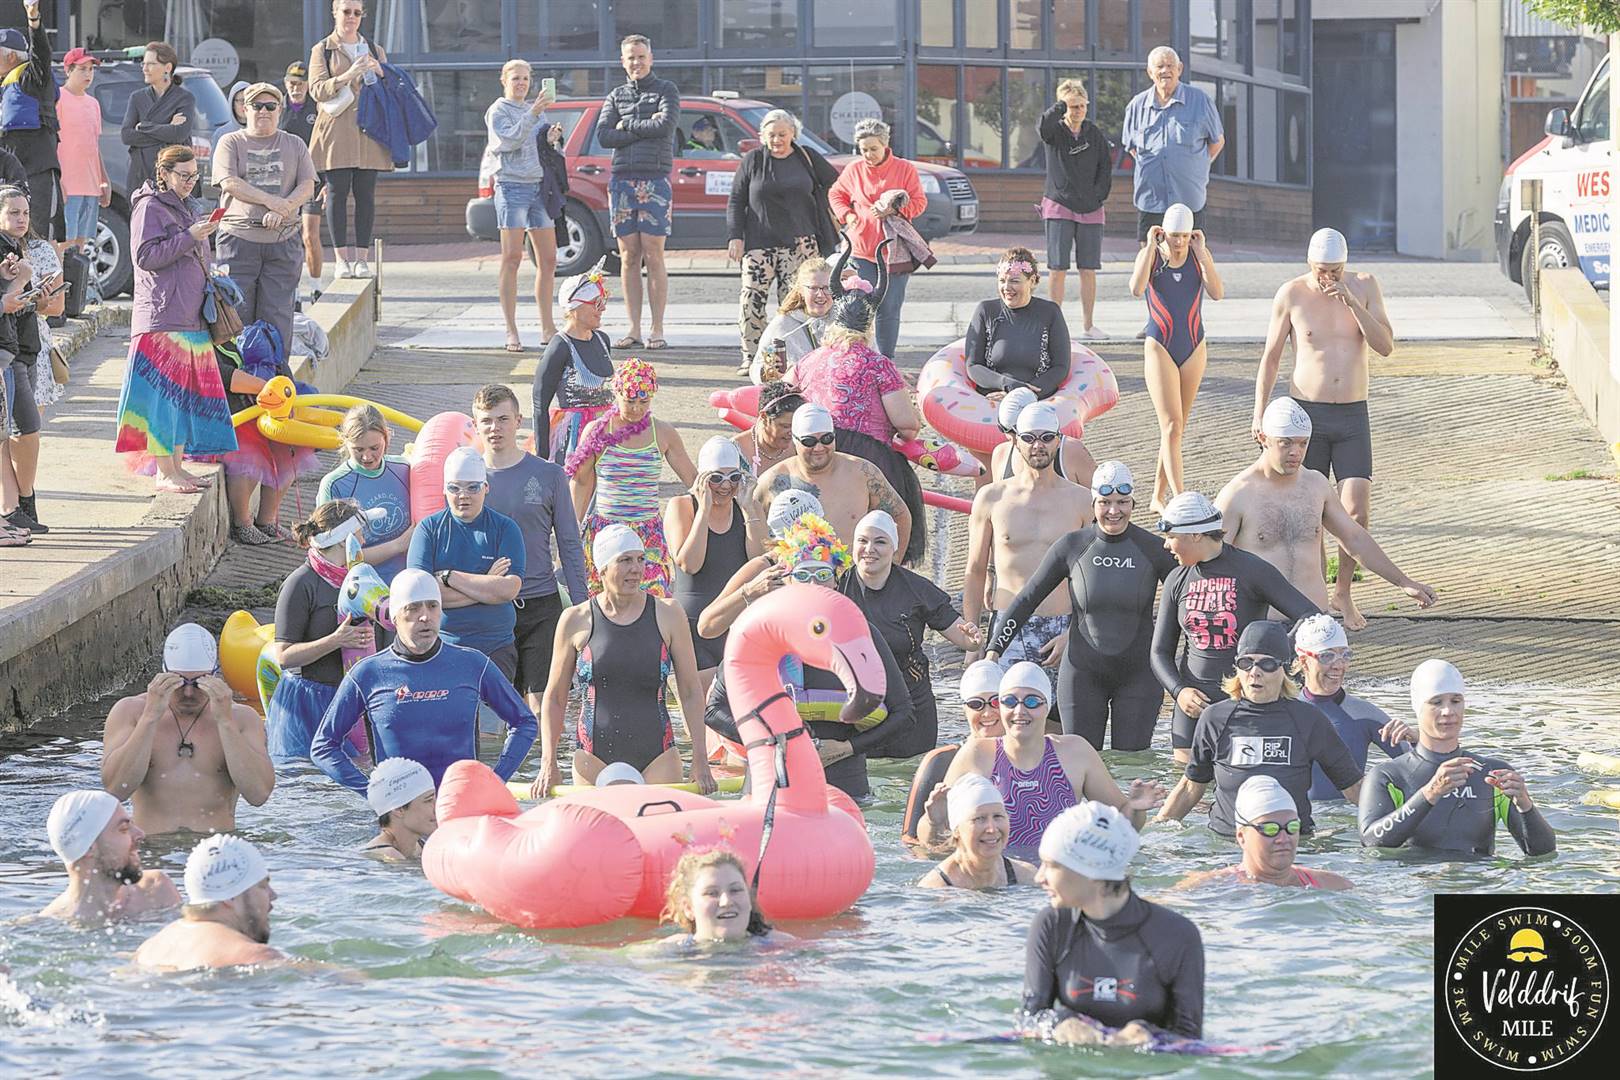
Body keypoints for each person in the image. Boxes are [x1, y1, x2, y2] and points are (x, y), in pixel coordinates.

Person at [702, 514, 914, 802]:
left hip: (845, 784)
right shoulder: (760, 635)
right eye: (802, 575)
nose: (813, 583)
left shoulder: (859, 634)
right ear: (785, 581)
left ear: (836, 581)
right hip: (771, 782)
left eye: (822, 575)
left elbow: (904, 714)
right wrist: (779, 741)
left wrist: (847, 747)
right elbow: (714, 711)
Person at [1252, 228, 1397, 630]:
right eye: (1321, 270)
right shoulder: (1292, 293)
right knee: (1310, 511)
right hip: (1306, 415)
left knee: (1356, 511)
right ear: (1309, 264)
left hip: (1352, 414)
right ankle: (1315, 598)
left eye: (1335, 270)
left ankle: (1343, 592)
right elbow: (1270, 357)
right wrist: (1259, 412)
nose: (1327, 278)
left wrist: (1352, 302)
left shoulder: (1365, 286)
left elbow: (1385, 346)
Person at [988, 461, 1176, 751]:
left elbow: (1185, 597)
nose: (1113, 511)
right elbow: (1028, 598)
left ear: (1133, 503)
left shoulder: (1153, 548)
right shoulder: (1072, 546)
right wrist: (993, 651)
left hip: (1139, 675)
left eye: (1122, 502)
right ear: (1093, 504)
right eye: (1105, 503)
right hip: (1083, 674)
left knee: (1133, 764)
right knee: (1077, 758)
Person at [529, 524, 715, 795]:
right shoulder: (576, 619)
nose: (636, 569)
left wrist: (700, 759)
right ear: (602, 569)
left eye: (640, 559)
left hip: (658, 756)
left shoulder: (669, 613)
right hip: (592, 757)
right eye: (625, 560)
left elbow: (690, 691)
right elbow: (556, 697)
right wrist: (549, 762)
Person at [312, 568, 537, 791]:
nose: (425, 616)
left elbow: (524, 722)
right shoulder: (368, 673)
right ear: (394, 616)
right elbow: (323, 746)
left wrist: (496, 781)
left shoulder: (472, 664)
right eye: (413, 608)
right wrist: (370, 792)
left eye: (432, 606)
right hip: (400, 809)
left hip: (459, 807)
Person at [1216, 396, 1437, 623]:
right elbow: (1210, 561)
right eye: (1286, 443)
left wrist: (1404, 582)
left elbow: (1354, 538)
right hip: (1262, 626)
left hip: (1316, 623)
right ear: (1264, 438)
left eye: (1303, 444)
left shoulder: (1316, 485)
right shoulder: (1238, 494)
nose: (1296, 452)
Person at [919, 663, 1165, 854]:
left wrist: (1135, 808)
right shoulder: (977, 755)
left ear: (1047, 708)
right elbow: (931, 844)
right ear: (1001, 707)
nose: (1020, 710)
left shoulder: (1075, 752)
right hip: (997, 880)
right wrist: (934, 822)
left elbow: (1124, 822)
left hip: (1058, 876)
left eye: (1032, 701)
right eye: (1009, 701)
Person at [1151, 491, 1319, 763]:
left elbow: (1311, 617)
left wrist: (1271, 658)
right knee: (1185, 779)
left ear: (1196, 535)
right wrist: (1179, 691)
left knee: (1244, 778)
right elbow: (1159, 652)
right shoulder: (1176, 579)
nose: (1166, 545)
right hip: (1193, 704)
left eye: (1171, 536)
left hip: (1246, 697)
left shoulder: (1251, 570)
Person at [1157, 621, 1362, 837]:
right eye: (1246, 663)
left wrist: (1386, 820)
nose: (1255, 672)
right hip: (1227, 844)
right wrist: (1156, 831)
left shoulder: (1309, 720)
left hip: (1290, 842)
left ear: (1283, 669)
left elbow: (1353, 786)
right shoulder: (1215, 719)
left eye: (1267, 664)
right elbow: (1191, 786)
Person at [1023, 802, 1204, 1046]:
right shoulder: (1052, 925)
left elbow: (1189, 1038)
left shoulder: (1177, 934)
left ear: (1091, 870)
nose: (1039, 877)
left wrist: (1148, 1034)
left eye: (1051, 865)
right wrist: (1061, 1023)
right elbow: (1029, 1019)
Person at [787, 243, 925, 560]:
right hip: (869, 458)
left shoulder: (808, 361)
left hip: (814, 452)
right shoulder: (877, 365)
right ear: (869, 324)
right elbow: (907, 425)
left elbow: (783, 398)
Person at [113, 147, 234, 496]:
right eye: (183, 175)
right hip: (162, 318)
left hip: (190, 316)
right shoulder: (149, 207)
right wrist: (189, 236)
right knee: (163, 402)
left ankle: (177, 467)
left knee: (182, 401)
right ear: (163, 173)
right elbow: (144, 256)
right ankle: (165, 472)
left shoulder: (186, 206)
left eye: (194, 175)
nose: (190, 181)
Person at [963, 402, 1093, 707]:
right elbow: (975, 569)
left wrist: (1075, 632)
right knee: (1009, 719)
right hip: (1007, 630)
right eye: (1029, 438)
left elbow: (1095, 577)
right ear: (1015, 440)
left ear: (1058, 440)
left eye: (1046, 437)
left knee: (1060, 725)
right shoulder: (992, 498)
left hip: (1062, 627)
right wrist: (972, 638)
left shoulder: (1081, 500)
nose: (1038, 446)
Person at [1358, 660, 1556, 857]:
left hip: (1480, 876)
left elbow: (1543, 852)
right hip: (1417, 875)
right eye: (1436, 702)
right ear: (1418, 706)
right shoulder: (1388, 776)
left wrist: (1525, 805)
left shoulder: (1492, 774)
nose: (1448, 711)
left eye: (1455, 701)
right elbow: (1371, 840)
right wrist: (1430, 793)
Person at [476, 384, 587, 719]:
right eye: (486, 421)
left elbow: (569, 543)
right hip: (490, 607)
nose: (494, 428)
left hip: (541, 603)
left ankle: (543, 755)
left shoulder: (549, 475)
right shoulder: (467, 481)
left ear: (518, 421)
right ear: (476, 425)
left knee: (543, 705)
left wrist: (582, 608)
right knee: (496, 710)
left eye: (502, 419)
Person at [101, 624, 275, 834]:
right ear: (163, 674)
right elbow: (116, 790)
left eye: (199, 683)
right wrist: (149, 718)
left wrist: (226, 723)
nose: (189, 692)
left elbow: (259, 795)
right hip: (148, 846)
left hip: (216, 847)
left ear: (214, 675)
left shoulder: (241, 719)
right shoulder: (131, 712)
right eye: (179, 682)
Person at [842, 509, 978, 757]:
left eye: (880, 542)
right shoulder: (837, 586)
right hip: (856, 704)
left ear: (894, 548)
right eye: (862, 541)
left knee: (911, 773)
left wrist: (972, 638)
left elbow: (964, 637)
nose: (869, 549)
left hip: (912, 701)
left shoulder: (916, 589)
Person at [566, 357, 695, 596]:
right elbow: (581, 482)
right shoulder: (598, 431)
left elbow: (693, 482)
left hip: (648, 532)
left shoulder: (663, 433)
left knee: (652, 597)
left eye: (644, 402)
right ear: (616, 394)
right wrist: (570, 530)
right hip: (606, 529)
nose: (637, 408)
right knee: (603, 598)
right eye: (630, 401)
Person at [727, 108, 839, 374]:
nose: (776, 140)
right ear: (763, 136)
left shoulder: (806, 157)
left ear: (793, 134)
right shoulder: (753, 160)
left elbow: (836, 184)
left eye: (782, 134)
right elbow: (736, 200)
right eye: (771, 135)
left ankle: (798, 356)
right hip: (759, 244)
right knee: (751, 300)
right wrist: (735, 236)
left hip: (801, 244)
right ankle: (752, 356)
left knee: (796, 303)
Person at [1129, 204, 1224, 511]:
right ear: (1163, 233)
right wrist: (1149, 246)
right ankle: (1180, 500)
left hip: (1194, 346)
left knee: (1176, 428)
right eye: (1174, 235)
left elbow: (1217, 293)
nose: (1180, 241)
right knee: (1171, 425)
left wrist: (1203, 252)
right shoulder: (1152, 256)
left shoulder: (1198, 257)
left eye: (1184, 235)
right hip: (1160, 346)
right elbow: (1136, 289)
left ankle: (1157, 497)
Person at [264, 499, 375, 763]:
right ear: (345, 541)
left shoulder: (356, 581)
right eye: (360, 534)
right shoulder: (300, 584)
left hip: (347, 698)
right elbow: (284, 656)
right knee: (310, 776)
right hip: (307, 703)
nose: (364, 540)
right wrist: (335, 640)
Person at [213, 81, 316, 356]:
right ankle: (238, 378)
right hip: (238, 240)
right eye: (257, 106)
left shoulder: (295, 144)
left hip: (283, 241)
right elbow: (229, 182)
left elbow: (307, 185)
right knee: (236, 316)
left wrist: (283, 209)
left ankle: (275, 375)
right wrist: (271, 201)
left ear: (280, 110)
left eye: (270, 106)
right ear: (244, 109)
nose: (263, 111)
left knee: (278, 317)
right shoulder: (230, 142)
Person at [406, 446, 526, 680]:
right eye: (455, 488)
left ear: (486, 488)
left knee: (492, 706)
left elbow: (509, 589)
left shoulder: (505, 528)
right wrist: (487, 583)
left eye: (473, 487)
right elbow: (419, 594)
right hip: (442, 644)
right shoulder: (428, 529)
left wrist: (450, 577)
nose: (463, 495)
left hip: (496, 647)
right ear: (444, 489)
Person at [597, 34, 678, 350]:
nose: (636, 62)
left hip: (654, 180)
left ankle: (657, 329)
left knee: (654, 255)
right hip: (621, 182)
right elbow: (604, 136)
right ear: (623, 61)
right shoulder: (615, 95)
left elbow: (664, 126)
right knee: (629, 256)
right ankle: (633, 329)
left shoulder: (666, 90)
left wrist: (626, 126)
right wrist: (641, 127)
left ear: (651, 58)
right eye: (631, 57)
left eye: (641, 56)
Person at [751, 402, 912, 559]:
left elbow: (900, 516)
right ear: (794, 440)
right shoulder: (772, 481)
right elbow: (752, 528)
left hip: (850, 574)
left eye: (826, 439)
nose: (819, 448)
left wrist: (892, 565)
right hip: (794, 573)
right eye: (809, 441)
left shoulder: (863, 473)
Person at [666, 436, 763, 693]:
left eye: (734, 477)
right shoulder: (681, 506)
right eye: (716, 478)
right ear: (702, 478)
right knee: (701, 712)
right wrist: (704, 510)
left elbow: (760, 562)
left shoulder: (750, 507)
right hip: (693, 627)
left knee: (740, 709)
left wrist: (748, 510)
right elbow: (690, 564)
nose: (725, 486)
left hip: (739, 623)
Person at [826, 118, 925, 359]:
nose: (868, 155)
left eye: (873, 149)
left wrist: (894, 210)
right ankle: (857, 357)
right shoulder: (854, 169)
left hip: (894, 252)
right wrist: (847, 215)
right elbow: (836, 193)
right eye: (863, 150)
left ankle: (885, 360)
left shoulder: (904, 169)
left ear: (885, 145)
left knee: (889, 309)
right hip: (860, 250)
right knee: (858, 306)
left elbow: (919, 203)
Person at [308, 0, 392, 279]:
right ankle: (341, 260)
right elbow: (316, 89)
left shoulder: (374, 49)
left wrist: (381, 71)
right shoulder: (322, 49)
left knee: (366, 194)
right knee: (337, 192)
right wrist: (348, 75)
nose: (351, 17)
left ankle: (362, 259)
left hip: (370, 131)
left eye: (357, 12)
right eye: (346, 11)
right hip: (336, 131)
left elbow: (391, 88)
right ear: (335, 13)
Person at [1293, 613, 1413, 801]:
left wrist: (1417, 738)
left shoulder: (1364, 714)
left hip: (1349, 816)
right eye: (1327, 656)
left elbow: (1420, 767)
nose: (1339, 665)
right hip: (1295, 818)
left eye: (1345, 655)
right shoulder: (1285, 713)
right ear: (1303, 661)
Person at [485, 59, 559, 353]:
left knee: (549, 260)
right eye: (516, 78)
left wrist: (551, 139)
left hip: (538, 188)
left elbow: (538, 147)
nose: (521, 83)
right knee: (512, 257)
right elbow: (508, 141)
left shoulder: (536, 110)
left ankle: (548, 327)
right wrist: (533, 113)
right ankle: (511, 330)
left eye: (525, 79)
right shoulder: (498, 110)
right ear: (504, 80)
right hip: (511, 187)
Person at [1120, 46, 1224, 243]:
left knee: (1191, 254)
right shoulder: (1136, 105)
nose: (1165, 70)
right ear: (1150, 72)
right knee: (1150, 255)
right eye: (1159, 66)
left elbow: (1217, 141)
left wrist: (1198, 165)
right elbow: (1132, 147)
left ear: (1180, 69)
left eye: (1170, 65)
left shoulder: (1200, 101)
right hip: (1151, 198)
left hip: (1189, 197)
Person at [134, 835, 281, 972]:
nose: (273, 895)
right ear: (230, 897)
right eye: (262, 886)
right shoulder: (255, 957)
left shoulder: (148, 950)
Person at [899, 660, 1007, 846]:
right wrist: (934, 823)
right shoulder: (940, 761)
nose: (987, 712)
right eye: (976, 704)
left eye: (996, 702)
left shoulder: (1027, 756)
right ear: (964, 708)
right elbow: (909, 841)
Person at [1038, 79, 1111, 339]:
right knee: (1057, 268)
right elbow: (1043, 127)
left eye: (1081, 106)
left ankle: (1089, 325)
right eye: (1072, 106)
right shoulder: (1054, 133)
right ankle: (1054, 328)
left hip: (1091, 208)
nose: (1078, 111)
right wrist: (1060, 105)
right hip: (1059, 205)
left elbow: (1105, 167)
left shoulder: (1094, 134)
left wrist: (1098, 196)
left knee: (1088, 269)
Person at [40, 791, 180, 923]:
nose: (140, 834)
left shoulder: (154, 890)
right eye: (124, 829)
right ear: (89, 848)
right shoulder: (48, 925)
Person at [0, 185, 51, 533]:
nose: (22, 219)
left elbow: (19, 305)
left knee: (18, 430)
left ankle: (19, 505)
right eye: (13, 213)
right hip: (10, 352)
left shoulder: (16, 248)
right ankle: (16, 505)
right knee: (23, 427)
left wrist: (37, 297)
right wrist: (20, 282)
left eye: (26, 213)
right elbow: (8, 302)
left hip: (23, 347)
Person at [317, 404, 415, 581]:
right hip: (362, 586)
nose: (367, 457)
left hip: (410, 579)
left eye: (374, 448)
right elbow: (334, 557)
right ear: (345, 442)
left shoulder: (405, 468)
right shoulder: (333, 484)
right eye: (359, 449)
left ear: (386, 437)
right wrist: (398, 545)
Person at [965, 248, 1072, 405]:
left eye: (1014, 281)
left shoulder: (1050, 312)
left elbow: (1060, 366)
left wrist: (1024, 394)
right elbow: (973, 365)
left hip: (1037, 399)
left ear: (1032, 281)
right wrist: (1007, 385)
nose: (1007, 287)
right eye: (1002, 280)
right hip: (993, 399)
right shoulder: (986, 311)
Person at [534, 262, 613, 465]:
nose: (603, 308)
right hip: (574, 443)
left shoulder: (603, 340)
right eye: (596, 303)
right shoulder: (559, 347)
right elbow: (540, 406)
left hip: (608, 435)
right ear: (575, 307)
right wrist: (541, 462)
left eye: (603, 300)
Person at [649, 849, 790, 950]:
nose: (726, 902)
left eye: (735, 890)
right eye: (711, 893)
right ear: (689, 908)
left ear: (749, 899)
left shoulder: (781, 947)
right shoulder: (669, 950)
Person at [0, 3, 59, 237]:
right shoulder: (4, 85)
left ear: (11, 55)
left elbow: (41, 54)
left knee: (37, 232)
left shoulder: (34, 77)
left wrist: (34, 20)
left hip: (36, 167)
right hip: (10, 169)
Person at [918, 775, 1035, 890]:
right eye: (979, 819)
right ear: (956, 830)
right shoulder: (936, 889)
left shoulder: (1026, 876)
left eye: (998, 816)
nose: (992, 829)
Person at [120, 41, 196, 194]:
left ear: (167, 67)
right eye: (144, 64)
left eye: (151, 64)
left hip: (175, 177)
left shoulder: (184, 98)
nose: (145, 68)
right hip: (141, 174)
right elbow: (126, 135)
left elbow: (179, 134)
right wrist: (167, 127)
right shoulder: (137, 98)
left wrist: (144, 126)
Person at [57, 48, 110, 256]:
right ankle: (60, 280)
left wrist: (104, 180)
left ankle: (77, 279)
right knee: (63, 244)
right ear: (68, 70)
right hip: (68, 186)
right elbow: (51, 143)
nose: (88, 74)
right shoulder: (58, 99)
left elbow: (94, 146)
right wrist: (57, 180)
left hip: (90, 186)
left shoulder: (93, 104)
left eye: (91, 69)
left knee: (81, 246)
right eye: (82, 69)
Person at [987, 386, 1096, 485]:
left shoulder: (1071, 451)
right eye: (1007, 431)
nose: (1013, 438)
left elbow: (1100, 496)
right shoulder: (1001, 454)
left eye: (1026, 434)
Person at [749, 258, 833, 383]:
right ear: (801, 290)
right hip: (798, 392)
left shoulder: (845, 322)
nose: (820, 294)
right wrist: (767, 371)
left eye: (826, 288)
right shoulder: (783, 324)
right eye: (813, 288)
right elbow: (757, 367)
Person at [279, 61, 325, 283]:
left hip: (312, 180)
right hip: (284, 181)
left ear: (308, 85)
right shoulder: (277, 108)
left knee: (309, 234)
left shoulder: (317, 108)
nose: (296, 88)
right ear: (285, 83)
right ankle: (293, 289)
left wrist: (327, 182)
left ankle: (316, 286)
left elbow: (327, 146)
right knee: (287, 238)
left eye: (300, 84)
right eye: (292, 83)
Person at [363, 757, 437, 862]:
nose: (437, 807)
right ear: (398, 809)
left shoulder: (421, 847)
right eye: (428, 800)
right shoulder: (387, 856)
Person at [732, 379, 803, 478]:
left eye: (796, 426)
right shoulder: (734, 451)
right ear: (764, 417)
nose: (792, 432)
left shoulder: (802, 446)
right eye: (785, 426)